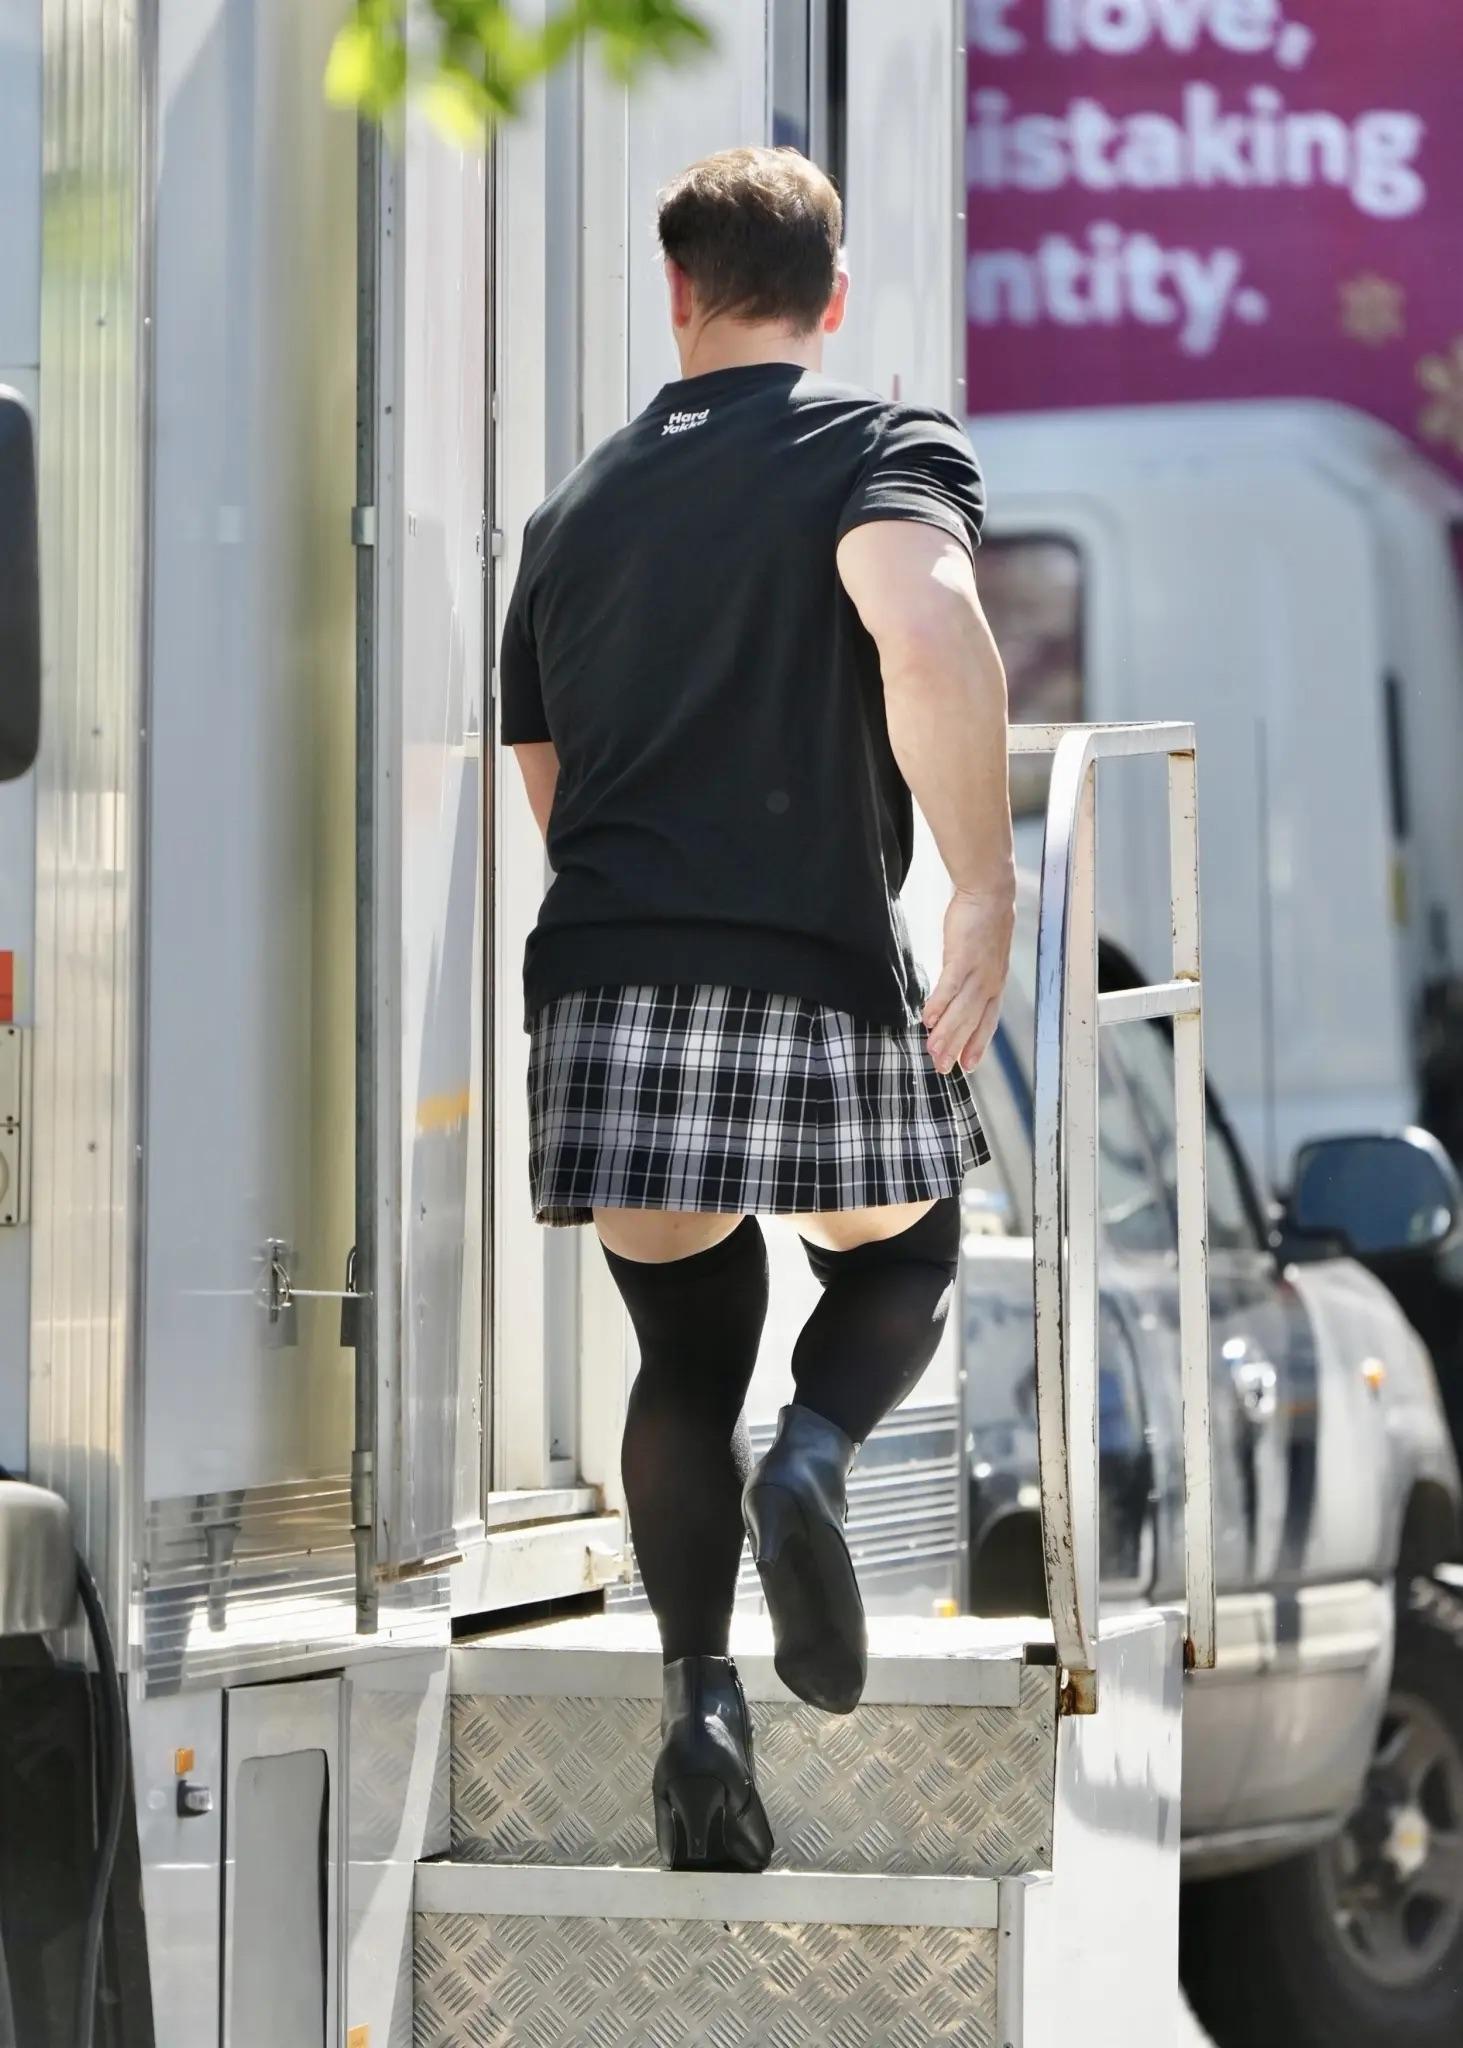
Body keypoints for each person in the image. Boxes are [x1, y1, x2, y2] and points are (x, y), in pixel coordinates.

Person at [500, 146, 1013, 1875]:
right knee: (903, 1251)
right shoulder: (877, 445)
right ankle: (814, 1458)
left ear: (677, 291)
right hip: (803, 958)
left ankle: (701, 1703)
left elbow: (551, 777)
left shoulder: (572, 510)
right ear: (833, 295)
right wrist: (986, 885)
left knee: (680, 1343)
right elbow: (926, 629)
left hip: (602, 978)